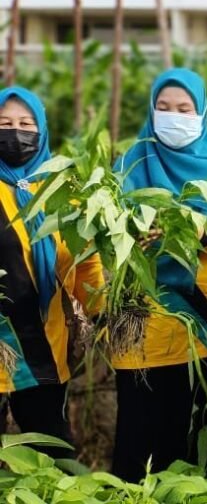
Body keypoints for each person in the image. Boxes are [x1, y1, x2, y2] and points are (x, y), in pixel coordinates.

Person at [111, 68, 207, 481]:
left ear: (202, 112)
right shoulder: (132, 161)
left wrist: (199, 228)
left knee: (204, 430)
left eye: (183, 108)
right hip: (144, 320)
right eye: (163, 107)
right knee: (140, 435)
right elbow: (107, 230)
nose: (173, 116)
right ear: (151, 110)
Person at [0, 87, 104, 458]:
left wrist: (103, 309)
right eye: (4, 123)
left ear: (41, 130)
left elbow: (85, 260)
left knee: (52, 454)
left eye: (25, 123)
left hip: (44, 344)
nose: (15, 132)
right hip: (1, 339)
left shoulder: (62, 188)